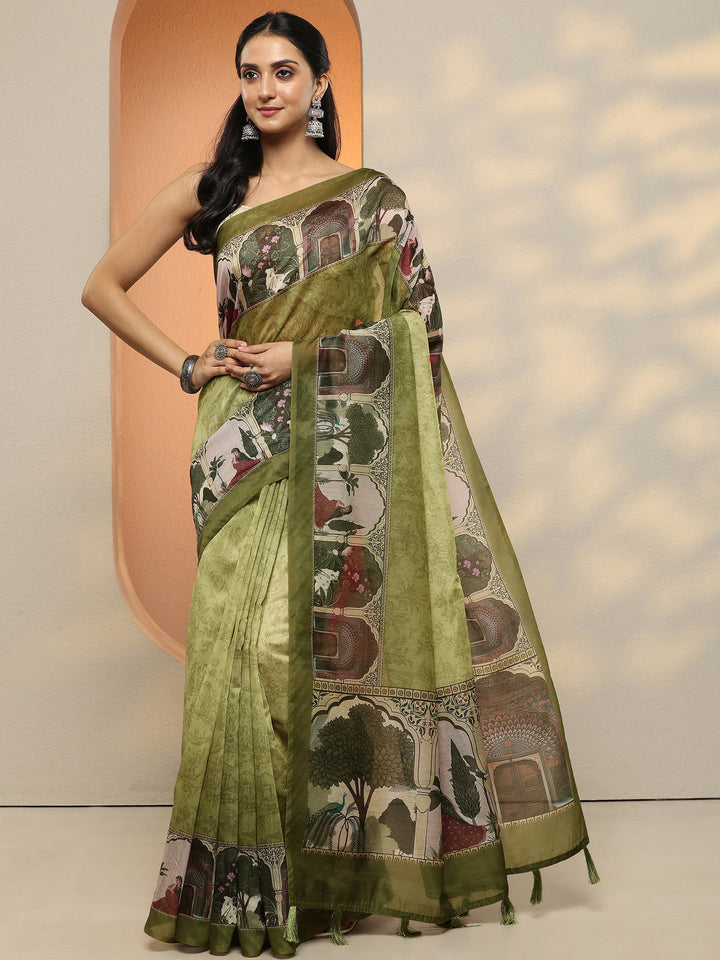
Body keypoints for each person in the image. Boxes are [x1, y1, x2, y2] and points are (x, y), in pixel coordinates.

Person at [82, 11, 598, 958]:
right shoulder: (212, 189)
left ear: (321, 84)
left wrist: (306, 355)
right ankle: (244, 886)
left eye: (285, 71)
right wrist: (190, 365)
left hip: (343, 456)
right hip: (240, 451)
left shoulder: (373, 202)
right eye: (250, 72)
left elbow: (423, 337)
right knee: (239, 655)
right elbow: (102, 285)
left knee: (313, 655)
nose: (265, 89)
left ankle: (330, 878)